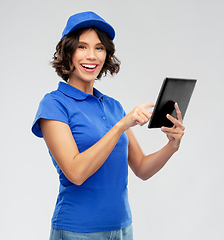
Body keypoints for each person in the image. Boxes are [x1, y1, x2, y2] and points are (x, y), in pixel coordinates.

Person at [31, 11, 185, 240]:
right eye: (82, 47)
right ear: (68, 52)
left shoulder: (113, 106)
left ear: (106, 54)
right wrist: (121, 125)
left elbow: (141, 168)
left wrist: (172, 145)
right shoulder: (54, 104)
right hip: (78, 232)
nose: (91, 56)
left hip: (122, 229)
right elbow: (75, 172)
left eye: (99, 48)